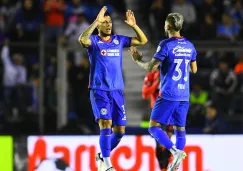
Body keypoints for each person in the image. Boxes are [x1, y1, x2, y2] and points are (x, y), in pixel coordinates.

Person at [78, 6, 147, 171]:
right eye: (105, 22)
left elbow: (143, 41)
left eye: (109, 22)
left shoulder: (119, 40)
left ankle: (102, 155)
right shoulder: (94, 42)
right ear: (99, 25)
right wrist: (96, 20)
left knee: (120, 131)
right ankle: (107, 165)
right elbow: (82, 39)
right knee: (106, 122)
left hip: (117, 91)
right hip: (99, 90)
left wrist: (134, 26)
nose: (108, 25)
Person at [129, 13, 197, 171]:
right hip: (184, 96)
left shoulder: (166, 44)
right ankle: (176, 161)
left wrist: (138, 59)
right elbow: (194, 69)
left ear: (167, 26)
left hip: (168, 94)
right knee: (180, 131)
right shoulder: (190, 45)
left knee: (153, 128)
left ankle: (174, 152)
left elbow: (150, 67)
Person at [141, 68, 173, 171]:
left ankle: (167, 167)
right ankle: (162, 168)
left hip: (169, 110)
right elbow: (145, 94)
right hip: (157, 112)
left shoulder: (170, 75)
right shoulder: (151, 76)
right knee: (159, 141)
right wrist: (156, 83)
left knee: (168, 138)